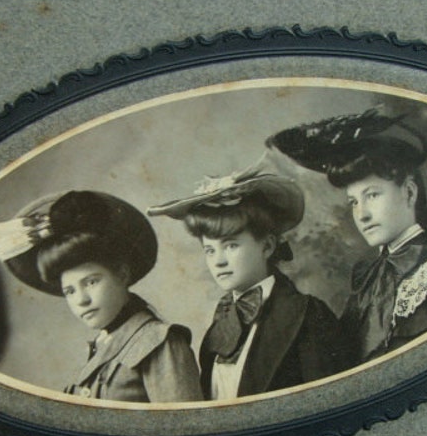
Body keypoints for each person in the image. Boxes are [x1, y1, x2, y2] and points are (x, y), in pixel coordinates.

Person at [268, 108, 427, 364]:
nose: (362, 214)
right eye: (353, 202)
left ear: (409, 192)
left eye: (372, 195)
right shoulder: (368, 281)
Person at [0, 190, 203, 403]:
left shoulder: (159, 343)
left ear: (122, 274)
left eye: (91, 282)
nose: (81, 300)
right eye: (69, 291)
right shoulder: (103, 345)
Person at [148, 169, 348, 400]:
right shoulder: (222, 320)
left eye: (231, 246)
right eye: (210, 250)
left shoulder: (309, 316)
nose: (219, 261)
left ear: (267, 247)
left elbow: (331, 402)